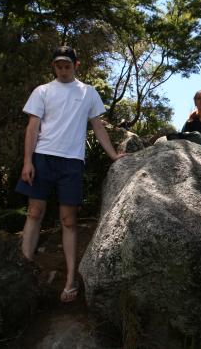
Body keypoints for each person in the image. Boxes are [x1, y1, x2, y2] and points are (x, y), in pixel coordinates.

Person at [16, 46, 125, 303]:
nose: (63, 70)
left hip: (72, 162)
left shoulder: (88, 92)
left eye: (67, 65)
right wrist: (27, 161)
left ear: (76, 65)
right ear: (54, 67)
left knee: (68, 220)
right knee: (34, 213)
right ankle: (23, 274)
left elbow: (97, 125)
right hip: (43, 158)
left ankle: (70, 280)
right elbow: (32, 128)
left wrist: (112, 154)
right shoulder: (42, 91)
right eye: (58, 65)